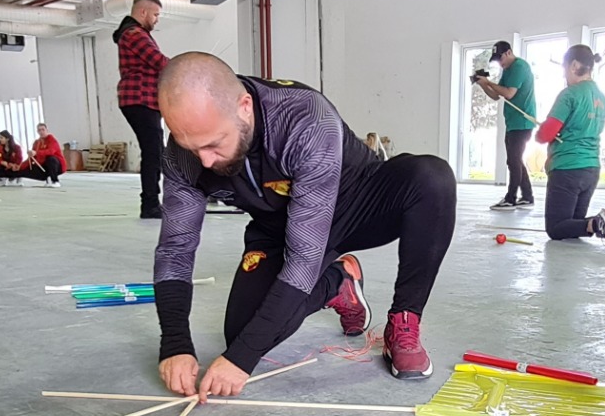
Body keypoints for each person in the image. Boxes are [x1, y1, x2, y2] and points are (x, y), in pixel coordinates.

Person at [153, 53, 457, 391]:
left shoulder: (301, 117)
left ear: (244, 106)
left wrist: (241, 361)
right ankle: (337, 283)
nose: (205, 161)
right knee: (243, 333)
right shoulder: (182, 155)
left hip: (356, 202)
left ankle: (405, 318)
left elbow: (304, 258)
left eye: (214, 144)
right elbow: (175, 250)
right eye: (191, 147)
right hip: (279, 226)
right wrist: (175, 343)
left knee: (432, 179)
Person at [535, 45, 605, 247]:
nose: (564, 75)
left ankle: (602, 222)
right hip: (591, 169)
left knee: (556, 228)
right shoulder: (601, 98)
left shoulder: (570, 94)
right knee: (573, 226)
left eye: (565, 69)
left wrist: (540, 132)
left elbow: (546, 134)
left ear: (574, 65)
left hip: (567, 168)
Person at [114, 0, 169, 218]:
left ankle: (156, 201)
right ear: (143, 12)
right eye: (155, 14)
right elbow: (159, 61)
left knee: (157, 152)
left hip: (142, 100)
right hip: (140, 99)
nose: (157, 19)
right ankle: (150, 205)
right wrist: (186, 68)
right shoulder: (135, 34)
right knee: (154, 153)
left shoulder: (134, 33)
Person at [473, 40, 538, 210]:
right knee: (515, 160)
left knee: (513, 160)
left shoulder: (519, 67)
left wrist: (488, 82)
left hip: (523, 122)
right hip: (512, 122)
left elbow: (509, 93)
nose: (499, 63)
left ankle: (511, 198)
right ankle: (527, 196)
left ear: (508, 52)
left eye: (500, 58)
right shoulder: (507, 70)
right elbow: (496, 95)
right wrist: (483, 84)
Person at [28, 122, 65, 187]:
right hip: (43, 165)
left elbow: (51, 151)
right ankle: (47, 178)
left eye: (43, 129)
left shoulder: (52, 140)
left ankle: (55, 181)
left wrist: (36, 152)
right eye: (39, 130)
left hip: (57, 165)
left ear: (47, 130)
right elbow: (33, 156)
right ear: (37, 132)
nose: (41, 132)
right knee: (31, 166)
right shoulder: (36, 142)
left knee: (51, 159)